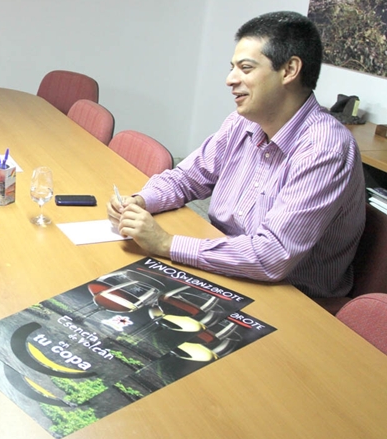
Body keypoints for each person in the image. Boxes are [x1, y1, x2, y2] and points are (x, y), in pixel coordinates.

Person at [108, 11, 365, 301]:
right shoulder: (242, 123)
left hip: (290, 299)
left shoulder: (325, 148)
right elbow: (186, 178)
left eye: (245, 68)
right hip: (227, 267)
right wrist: (139, 201)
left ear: (289, 70)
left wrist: (166, 244)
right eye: (232, 67)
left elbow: (271, 256)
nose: (230, 79)